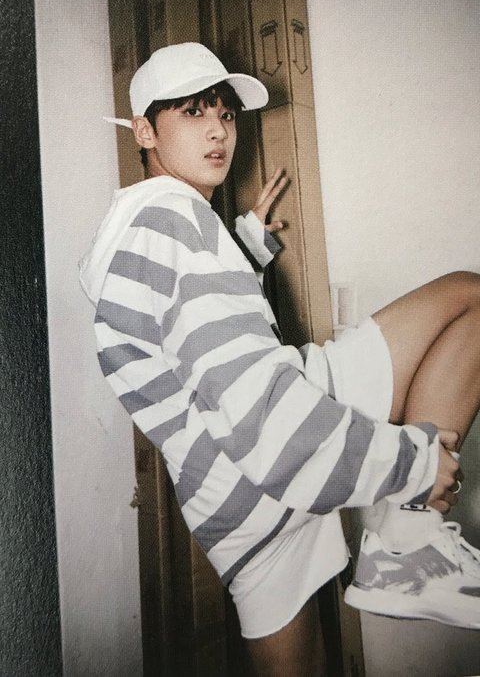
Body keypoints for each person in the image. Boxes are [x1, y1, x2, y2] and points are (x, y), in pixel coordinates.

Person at [80, 42, 480, 676]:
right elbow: (256, 405)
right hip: (279, 440)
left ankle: (403, 548)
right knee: (471, 296)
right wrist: (413, 464)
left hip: (225, 499)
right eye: (192, 112)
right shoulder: (174, 216)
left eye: (225, 113)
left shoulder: (132, 235)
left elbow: (186, 339)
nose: (219, 129)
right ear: (144, 131)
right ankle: (408, 543)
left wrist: (241, 245)